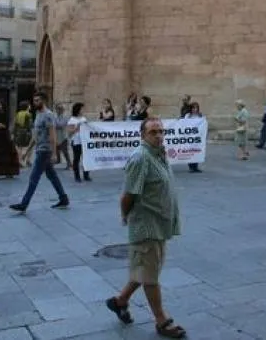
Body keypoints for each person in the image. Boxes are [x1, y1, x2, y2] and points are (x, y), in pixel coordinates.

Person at [105, 118, 186, 338]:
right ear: (143, 135)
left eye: (161, 131)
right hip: (146, 226)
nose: (158, 136)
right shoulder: (141, 158)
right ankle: (162, 321)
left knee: (145, 268)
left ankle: (120, 301)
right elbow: (128, 195)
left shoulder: (158, 154)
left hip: (159, 224)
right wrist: (126, 216)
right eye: (153, 132)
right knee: (150, 277)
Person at [10, 91, 71, 212]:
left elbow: (52, 135)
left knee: (34, 177)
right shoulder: (38, 114)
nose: (35, 102)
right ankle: (63, 198)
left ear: (44, 101)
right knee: (52, 176)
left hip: (45, 151)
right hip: (40, 149)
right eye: (34, 100)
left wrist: (54, 153)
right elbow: (36, 136)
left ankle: (24, 203)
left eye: (38, 100)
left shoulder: (48, 115)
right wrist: (27, 151)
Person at [68, 102, 90, 182]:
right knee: (76, 159)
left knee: (86, 158)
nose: (83, 110)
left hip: (84, 141)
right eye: (82, 109)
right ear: (78, 110)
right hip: (76, 141)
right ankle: (77, 176)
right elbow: (69, 132)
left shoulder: (84, 119)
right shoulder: (72, 120)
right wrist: (76, 128)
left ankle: (86, 175)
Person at [183, 101, 204, 173]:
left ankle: (196, 167)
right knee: (190, 151)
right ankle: (191, 167)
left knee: (197, 151)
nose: (195, 109)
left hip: (197, 137)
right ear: (191, 109)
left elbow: (203, 124)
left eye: (196, 108)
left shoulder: (200, 116)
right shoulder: (187, 116)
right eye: (193, 108)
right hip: (189, 136)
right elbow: (184, 124)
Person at [13, 101, 33, 167]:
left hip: (19, 132)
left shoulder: (18, 114)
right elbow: (30, 125)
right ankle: (28, 160)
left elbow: (15, 124)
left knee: (19, 147)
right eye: (29, 105)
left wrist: (14, 133)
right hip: (26, 132)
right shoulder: (28, 114)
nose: (30, 106)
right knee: (30, 146)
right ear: (27, 107)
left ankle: (19, 161)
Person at [54, 103, 72, 170]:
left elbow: (61, 125)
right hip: (56, 136)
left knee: (65, 151)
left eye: (60, 109)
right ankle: (57, 161)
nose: (59, 110)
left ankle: (69, 164)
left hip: (63, 136)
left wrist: (55, 124)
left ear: (63, 110)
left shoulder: (65, 117)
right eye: (58, 109)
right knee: (56, 151)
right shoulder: (54, 116)